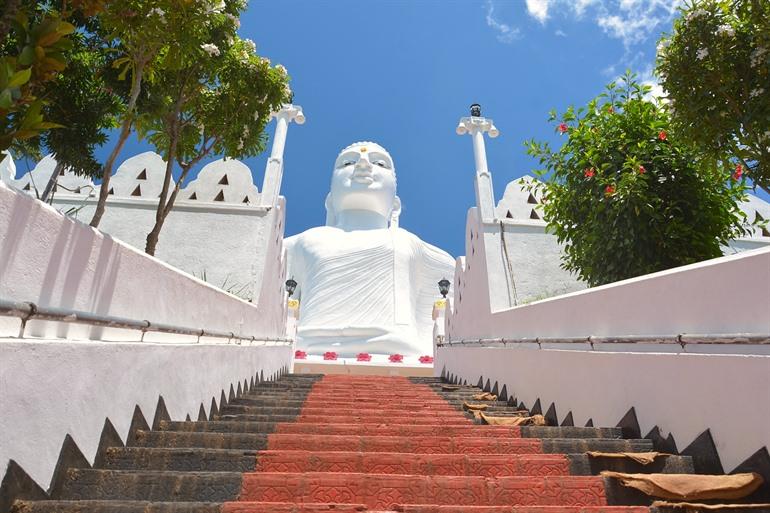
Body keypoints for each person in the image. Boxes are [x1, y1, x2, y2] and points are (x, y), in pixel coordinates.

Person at [285, 141, 455, 357]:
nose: (363, 165)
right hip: (306, 346)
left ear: (396, 205)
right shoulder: (304, 240)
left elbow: (450, 303)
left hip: (399, 350)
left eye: (379, 163)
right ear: (329, 201)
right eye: (348, 162)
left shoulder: (410, 243)